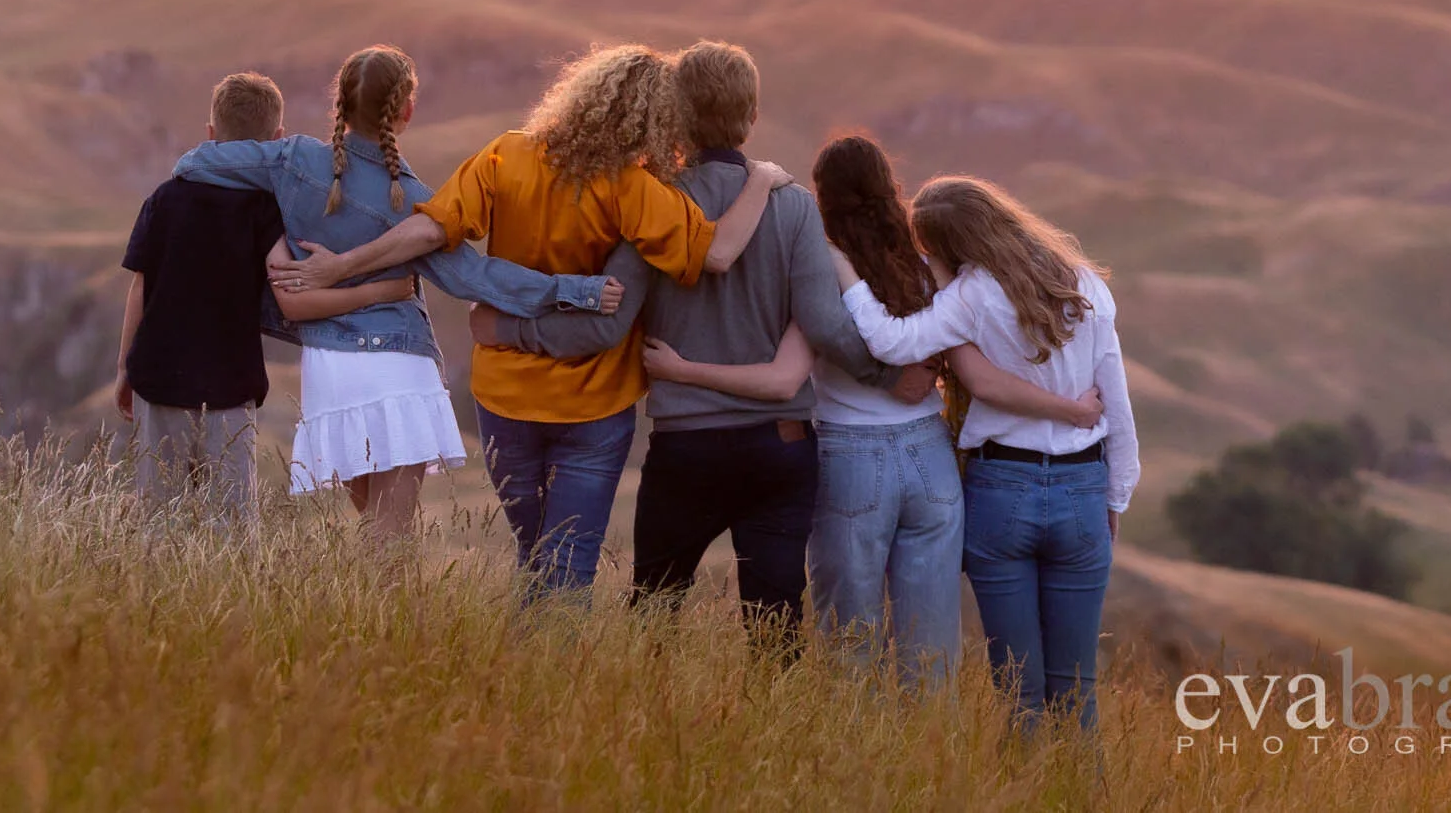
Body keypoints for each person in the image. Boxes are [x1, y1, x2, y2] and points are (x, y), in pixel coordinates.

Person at [471, 47, 1098, 651]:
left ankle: (647, 713)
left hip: (686, 444)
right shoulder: (792, 205)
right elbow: (825, 323)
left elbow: (606, 327)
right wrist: (890, 377)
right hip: (779, 447)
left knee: (654, 615)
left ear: (676, 114)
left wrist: (512, 331)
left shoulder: (653, 200)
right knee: (776, 627)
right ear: (751, 116)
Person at [275, 44, 785, 598]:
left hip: (506, 397)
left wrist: (341, 266)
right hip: (594, 404)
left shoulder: (508, 154)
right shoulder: (636, 188)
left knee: (534, 556)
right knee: (566, 569)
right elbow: (718, 254)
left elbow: (430, 230)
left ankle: (522, 649)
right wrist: (761, 180)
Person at [169, 47, 620, 557]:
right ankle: (385, 611)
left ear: (339, 103)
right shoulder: (413, 198)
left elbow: (196, 163)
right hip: (397, 367)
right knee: (392, 542)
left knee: (378, 533)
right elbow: (476, 279)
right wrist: (572, 290)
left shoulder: (291, 158)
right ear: (406, 109)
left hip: (329, 371)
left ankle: (376, 609)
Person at [830, 175, 1140, 730]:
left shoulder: (968, 297)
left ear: (947, 247)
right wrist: (1115, 494)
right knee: (1077, 691)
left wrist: (846, 275)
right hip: (1081, 488)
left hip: (1002, 489)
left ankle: (1022, 774)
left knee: (1018, 690)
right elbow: (1116, 401)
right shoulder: (1084, 284)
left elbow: (889, 342)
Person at [113, 71, 415, 527]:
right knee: (232, 530)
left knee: (158, 523)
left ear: (210, 133)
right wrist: (376, 289)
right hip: (230, 390)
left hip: (156, 381)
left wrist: (124, 368)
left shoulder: (164, 199)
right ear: (277, 139)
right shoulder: (263, 210)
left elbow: (140, 286)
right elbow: (290, 291)